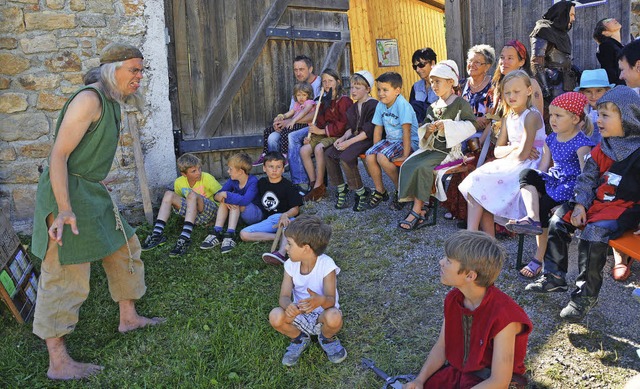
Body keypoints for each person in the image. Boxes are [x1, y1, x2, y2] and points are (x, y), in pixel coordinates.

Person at [31, 43, 164, 380]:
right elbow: (58, 156)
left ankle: (128, 317)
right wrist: (63, 210)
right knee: (65, 273)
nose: (139, 76)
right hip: (68, 194)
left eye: (141, 69)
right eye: (133, 69)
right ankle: (58, 362)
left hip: (90, 191)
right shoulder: (88, 100)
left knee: (125, 247)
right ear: (112, 69)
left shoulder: (113, 102)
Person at [525, 86, 640, 321]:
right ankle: (554, 277)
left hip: (624, 207)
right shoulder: (602, 148)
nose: (598, 120)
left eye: (606, 115)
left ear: (627, 117)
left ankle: (584, 297)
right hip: (595, 203)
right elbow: (586, 179)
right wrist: (579, 205)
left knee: (594, 232)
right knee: (558, 220)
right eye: (598, 114)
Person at [403, 231, 532, 389]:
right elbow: (442, 347)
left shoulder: (504, 316)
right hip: (458, 374)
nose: (441, 262)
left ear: (470, 276)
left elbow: (499, 381)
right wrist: (420, 380)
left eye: (448, 261)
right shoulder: (454, 299)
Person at [506, 92, 593, 279]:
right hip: (554, 181)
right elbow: (545, 166)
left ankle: (539, 257)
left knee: (545, 204)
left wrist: (576, 202)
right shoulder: (551, 139)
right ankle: (532, 217)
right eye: (551, 115)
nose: (552, 119)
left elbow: (586, 176)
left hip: (570, 187)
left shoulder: (582, 144)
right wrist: (538, 183)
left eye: (558, 116)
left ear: (575, 118)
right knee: (527, 175)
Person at [459, 70, 546, 237]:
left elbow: (524, 155)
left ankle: (471, 235)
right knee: (477, 183)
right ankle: (482, 237)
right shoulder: (508, 116)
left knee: (482, 183)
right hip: (513, 159)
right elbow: (498, 151)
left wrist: (516, 149)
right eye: (507, 93)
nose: (511, 96)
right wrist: (514, 147)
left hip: (530, 164)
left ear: (528, 91)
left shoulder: (531, 116)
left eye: (516, 91)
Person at [397, 60, 478, 231]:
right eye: (432, 81)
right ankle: (422, 204)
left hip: (450, 151)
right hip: (433, 148)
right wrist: (428, 129)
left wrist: (447, 125)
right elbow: (425, 132)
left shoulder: (460, 104)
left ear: (450, 82)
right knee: (409, 164)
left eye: (437, 81)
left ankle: (417, 210)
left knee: (423, 167)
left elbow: (471, 125)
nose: (433, 85)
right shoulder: (433, 107)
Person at [268, 215, 346, 366]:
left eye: (289, 244)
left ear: (305, 248)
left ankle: (326, 338)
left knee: (334, 317)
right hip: (300, 314)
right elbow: (284, 296)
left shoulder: (327, 265)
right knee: (275, 316)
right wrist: (289, 306)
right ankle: (299, 338)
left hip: (321, 315)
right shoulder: (290, 265)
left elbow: (331, 301)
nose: (286, 248)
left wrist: (320, 300)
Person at [442, 44, 496, 222]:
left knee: (470, 159)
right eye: (470, 61)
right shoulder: (462, 85)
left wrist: (480, 127)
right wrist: (473, 120)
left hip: (483, 137)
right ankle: (457, 208)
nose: (472, 65)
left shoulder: (493, 86)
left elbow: (493, 116)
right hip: (462, 134)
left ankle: (472, 213)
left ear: (487, 66)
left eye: (477, 62)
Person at [141, 153, 222, 256]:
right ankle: (157, 234)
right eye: (194, 171)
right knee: (169, 194)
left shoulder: (207, 177)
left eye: (199, 169)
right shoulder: (179, 182)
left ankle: (184, 238)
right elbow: (180, 202)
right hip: (193, 214)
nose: (198, 173)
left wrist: (217, 221)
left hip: (210, 213)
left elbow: (221, 196)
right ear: (184, 174)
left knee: (192, 195)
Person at [364, 72, 419, 210]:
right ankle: (380, 191)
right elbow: (378, 128)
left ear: (397, 90)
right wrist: (376, 148)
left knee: (382, 157)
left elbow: (406, 132)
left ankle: (401, 191)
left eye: (385, 90)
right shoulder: (381, 105)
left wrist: (406, 155)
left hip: (408, 142)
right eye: (379, 90)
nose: (381, 93)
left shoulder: (402, 105)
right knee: (370, 155)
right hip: (391, 141)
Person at [325, 70, 378, 211]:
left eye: (357, 88)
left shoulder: (373, 105)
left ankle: (360, 192)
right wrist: (342, 139)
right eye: (352, 87)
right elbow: (350, 128)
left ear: (367, 89)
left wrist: (347, 143)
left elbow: (367, 131)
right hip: (355, 138)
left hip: (368, 139)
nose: (353, 91)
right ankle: (341, 188)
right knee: (329, 153)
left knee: (346, 157)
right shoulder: (354, 107)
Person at [254, 55, 322, 166]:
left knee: (291, 136)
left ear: (310, 69)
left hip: (313, 126)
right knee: (272, 137)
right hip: (295, 123)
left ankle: (298, 178)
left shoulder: (319, 84)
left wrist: (289, 122)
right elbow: (293, 111)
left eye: (301, 69)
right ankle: (274, 172)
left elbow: (318, 114)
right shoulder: (299, 87)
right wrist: (280, 119)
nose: (298, 73)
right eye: (295, 70)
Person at [238, 152, 303, 265]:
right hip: (269, 221)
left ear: (283, 169)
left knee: (287, 227)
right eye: (271, 166)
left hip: (285, 219)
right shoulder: (262, 183)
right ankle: (277, 237)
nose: (274, 170)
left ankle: (281, 254)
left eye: (278, 167)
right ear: (264, 168)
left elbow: (296, 209)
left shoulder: (288, 186)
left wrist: (285, 215)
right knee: (244, 234)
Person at [300, 69, 353, 201]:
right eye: (324, 81)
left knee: (318, 149)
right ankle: (314, 184)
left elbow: (343, 125)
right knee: (304, 150)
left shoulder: (344, 100)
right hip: (324, 132)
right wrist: (312, 133)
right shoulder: (324, 99)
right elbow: (322, 121)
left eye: (330, 81)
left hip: (338, 135)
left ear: (338, 82)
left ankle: (319, 185)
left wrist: (321, 131)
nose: (327, 84)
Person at [199, 152, 260, 254]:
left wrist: (226, 195)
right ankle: (216, 232)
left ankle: (230, 235)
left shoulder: (253, 181)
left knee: (233, 201)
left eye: (230, 169)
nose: (228, 171)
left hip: (254, 215)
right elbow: (217, 196)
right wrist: (222, 197)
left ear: (240, 171)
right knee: (225, 202)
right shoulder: (233, 180)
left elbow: (245, 200)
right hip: (239, 214)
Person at [530, 1, 577, 104]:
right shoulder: (543, 30)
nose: (573, 19)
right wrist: (544, 88)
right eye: (571, 15)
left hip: (565, 83)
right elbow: (536, 62)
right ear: (561, 14)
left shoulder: (562, 34)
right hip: (552, 86)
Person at [490, 40, 545, 116]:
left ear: (522, 62)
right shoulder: (499, 82)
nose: (504, 62)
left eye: (510, 58)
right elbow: (494, 116)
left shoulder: (530, 83)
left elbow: (537, 118)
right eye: (502, 57)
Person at [575, 69, 614, 145]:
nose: (593, 96)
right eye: (588, 91)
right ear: (582, 93)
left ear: (607, 91)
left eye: (599, 91)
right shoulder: (580, 112)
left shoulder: (614, 111)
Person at [409, 48, 439, 123]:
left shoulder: (444, 84)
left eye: (421, 65)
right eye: (415, 67)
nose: (418, 70)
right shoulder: (416, 87)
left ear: (432, 63)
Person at [594, 18, 625, 85]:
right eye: (607, 21)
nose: (614, 19)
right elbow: (609, 70)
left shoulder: (619, 46)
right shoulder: (606, 46)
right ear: (605, 32)